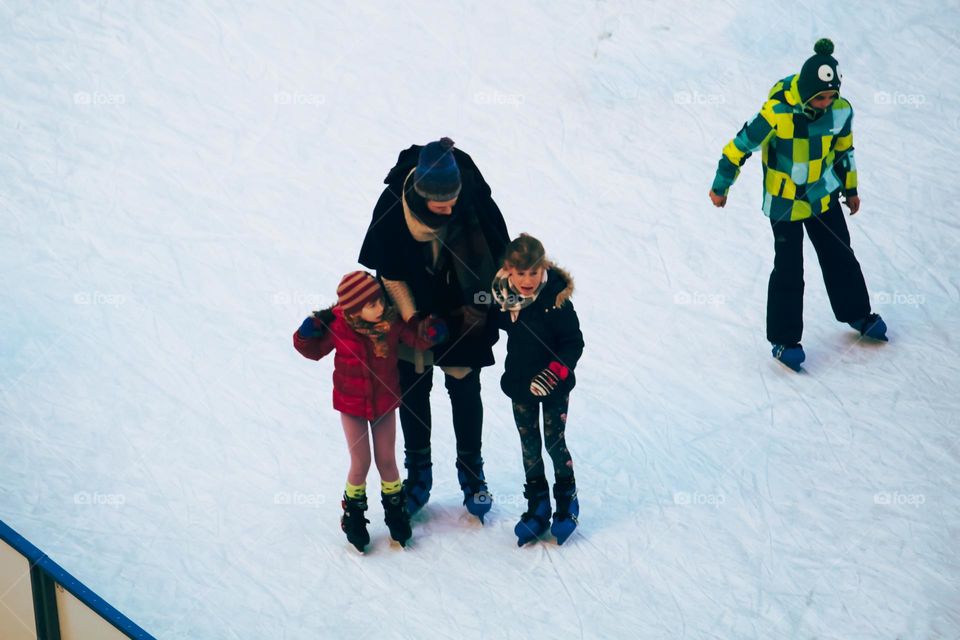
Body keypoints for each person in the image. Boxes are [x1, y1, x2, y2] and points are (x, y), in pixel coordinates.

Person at [708, 38, 887, 371]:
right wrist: (721, 185)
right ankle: (784, 340)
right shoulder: (776, 114)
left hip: (822, 197)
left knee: (840, 256)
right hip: (785, 203)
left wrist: (850, 190)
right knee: (789, 270)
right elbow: (738, 147)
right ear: (806, 91)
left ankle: (858, 314)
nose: (826, 102)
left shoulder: (841, 111)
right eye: (821, 96)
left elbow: (844, 152)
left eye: (831, 95)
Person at [358, 137, 509, 521]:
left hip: (465, 311)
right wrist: (412, 321)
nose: (450, 208)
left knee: (464, 386)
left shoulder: (471, 199)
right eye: (441, 204)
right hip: (414, 311)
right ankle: (418, 475)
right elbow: (389, 272)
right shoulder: (394, 206)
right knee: (413, 388)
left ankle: (473, 476)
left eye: (452, 200)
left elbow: (499, 258)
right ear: (421, 194)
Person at [292, 271, 446, 551]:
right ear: (353, 309)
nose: (380, 307)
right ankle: (353, 514)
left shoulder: (390, 323)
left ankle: (396, 511)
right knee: (360, 463)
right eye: (372, 304)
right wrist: (306, 334)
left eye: (379, 301)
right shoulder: (339, 327)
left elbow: (414, 338)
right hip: (352, 406)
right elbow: (313, 351)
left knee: (387, 460)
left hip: (385, 403)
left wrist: (431, 332)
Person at [490, 234, 584, 545]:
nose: (527, 280)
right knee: (529, 444)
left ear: (542, 268)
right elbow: (490, 326)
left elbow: (573, 343)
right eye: (521, 274)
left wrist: (555, 372)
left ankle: (567, 500)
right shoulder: (504, 298)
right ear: (509, 271)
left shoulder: (555, 300)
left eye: (533, 272)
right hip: (520, 384)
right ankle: (538, 504)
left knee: (554, 443)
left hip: (553, 386)